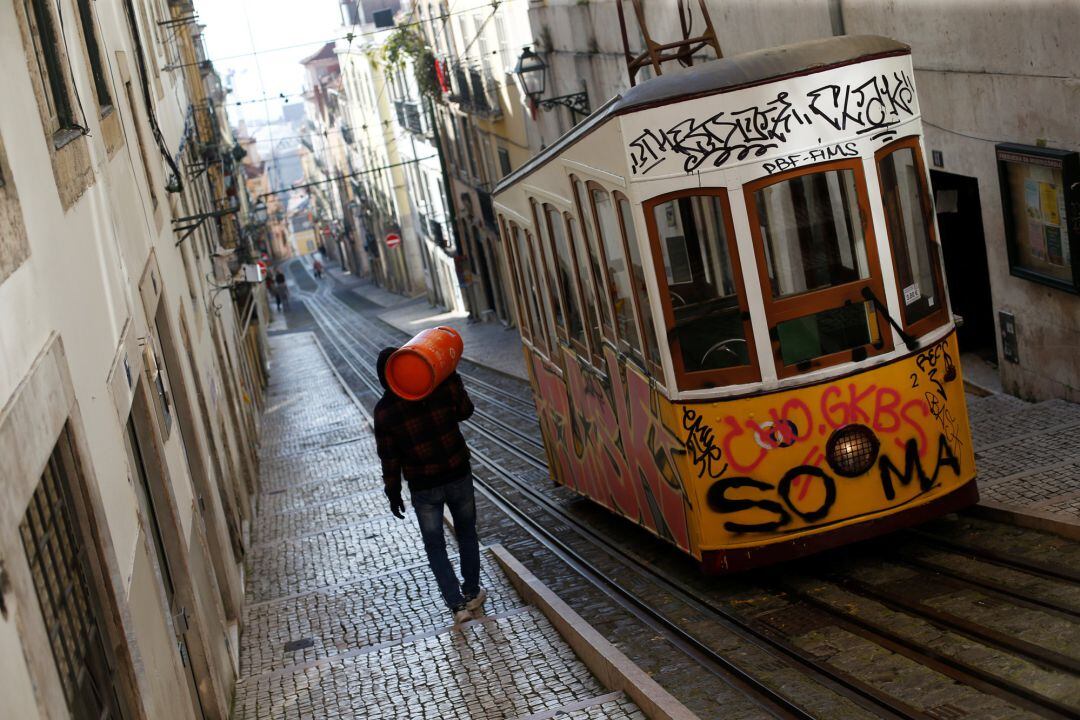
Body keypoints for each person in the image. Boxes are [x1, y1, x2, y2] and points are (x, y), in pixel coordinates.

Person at [374, 347, 485, 624]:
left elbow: (389, 458)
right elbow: (466, 411)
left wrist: (393, 492)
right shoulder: (438, 386)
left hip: (424, 488)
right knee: (467, 533)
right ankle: (471, 592)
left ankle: (457, 605)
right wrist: (451, 377)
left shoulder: (385, 410)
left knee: (435, 546)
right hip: (457, 473)